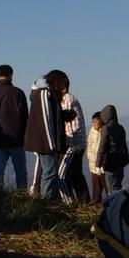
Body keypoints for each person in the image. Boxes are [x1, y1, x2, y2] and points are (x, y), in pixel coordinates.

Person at [0, 64, 29, 189]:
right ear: (11, 76)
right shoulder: (18, 93)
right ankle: (22, 194)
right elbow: (25, 117)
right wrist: (22, 133)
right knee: (20, 170)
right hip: (16, 139)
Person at [25, 73, 66, 199]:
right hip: (45, 142)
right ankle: (46, 201)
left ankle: (47, 200)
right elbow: (45, 120)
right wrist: (51, 144)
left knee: (49, 172)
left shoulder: (47, 94)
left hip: (46, 141)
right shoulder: (44, 94)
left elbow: (51, 117)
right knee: (49, 172)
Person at [53, 70, 89, 203]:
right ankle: (85, 202)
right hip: (78, 143)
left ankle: (69, 203)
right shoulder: (72, 98)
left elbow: (68, 122)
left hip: (72, 143)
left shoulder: (67, 99)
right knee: (76, 175)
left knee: (62, 175)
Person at [95, 105, 129, 192]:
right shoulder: (121, 128)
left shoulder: (106, 128)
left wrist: (98, 164)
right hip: (120, 162)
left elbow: (102, 147)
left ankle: (116, 205)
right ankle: (120, 203)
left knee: (112, 189)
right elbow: (124, 146)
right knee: (118, 186)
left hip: (110, 163)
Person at [87, 111, 106, 203]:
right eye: (92, 121)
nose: (93, 123)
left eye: (95, 121)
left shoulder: (105, 131)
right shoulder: (92, 131)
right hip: (94, 165)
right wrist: (91, 157)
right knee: (96, 188)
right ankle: (96, 204)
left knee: (107, 188)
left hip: (103, 167)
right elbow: (89, 145)